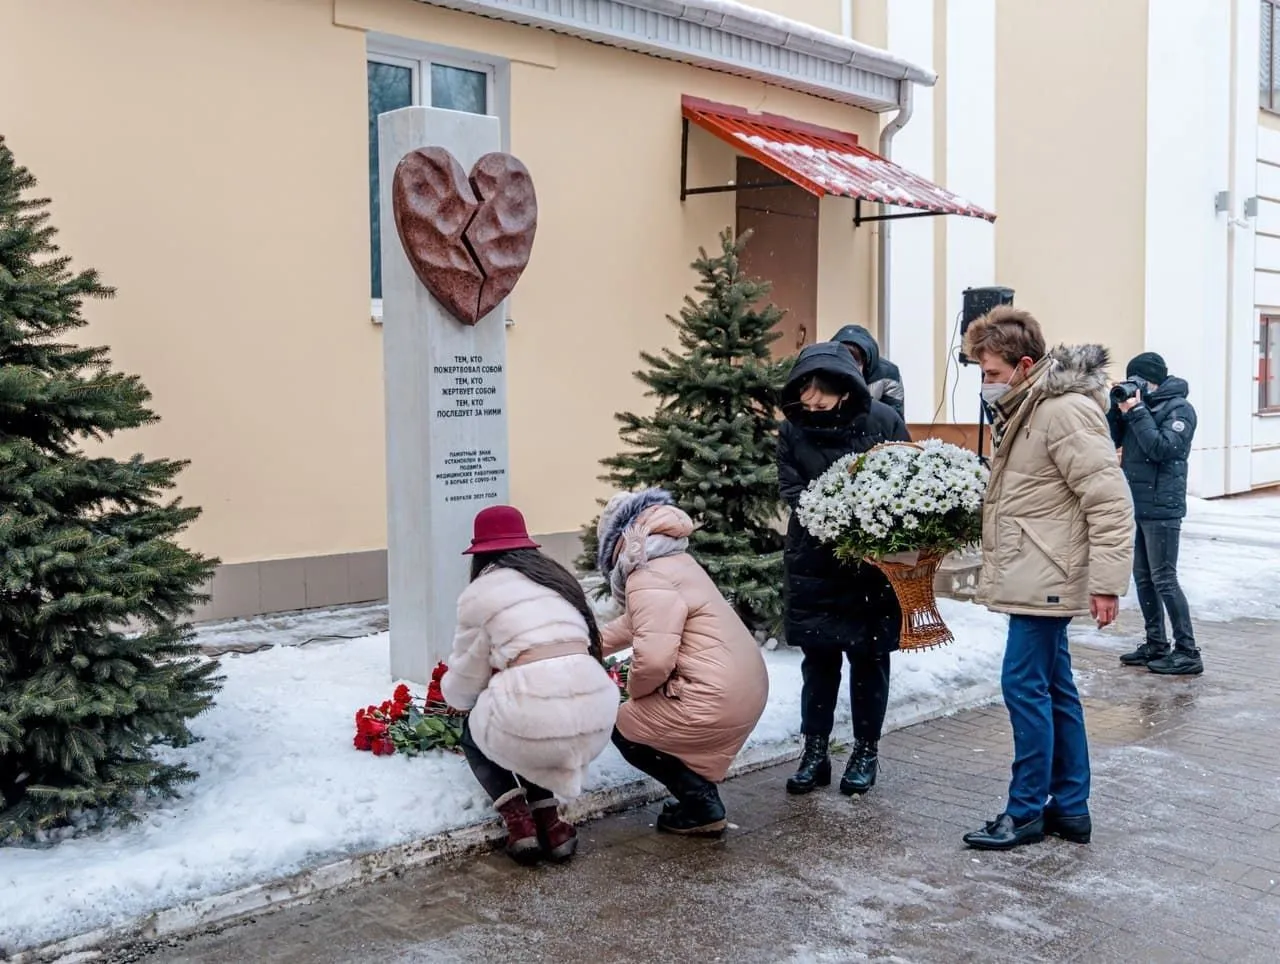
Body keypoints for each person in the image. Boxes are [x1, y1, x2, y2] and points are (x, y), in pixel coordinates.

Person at [960, 306, 1133, 851]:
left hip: (1047, 574)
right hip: (1039, 568)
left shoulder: (1061, 413)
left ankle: (1027, 809)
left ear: (1024, 364)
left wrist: (1107, 582)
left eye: (990, 373)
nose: (986, 384)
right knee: (1055, 689)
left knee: (1024, 686)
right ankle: (1071, 808)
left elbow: (1109, 500)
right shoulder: (1028, 409)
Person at [441, 505, 620, 865]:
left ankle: (520, 825)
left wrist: (459, 700)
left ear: (480, 553)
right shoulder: (557, 580)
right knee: (530, 718)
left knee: (479, 730)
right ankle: (551, 825)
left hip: (541, 717)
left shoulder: (481, 595)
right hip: (595, 714)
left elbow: (465, 680)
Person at [777, 342, 911, 798]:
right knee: (818, 662)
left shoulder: (882, 421)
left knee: (869, 660)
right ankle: (814, 754)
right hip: (813, 560)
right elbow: (790, 482)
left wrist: (863, 520)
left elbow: (904, 478)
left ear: (844, 390)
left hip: (870, 568)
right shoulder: (793, 427)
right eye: (805, 393)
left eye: (820, 395)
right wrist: (824, 513)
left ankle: (865, 752)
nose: (810, 403)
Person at [596, 489, 769, 837]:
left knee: (622, 725)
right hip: (744, 687)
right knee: (654, 720)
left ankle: (701, 805)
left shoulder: (646, 574)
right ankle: (697, 796)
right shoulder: (672, 562)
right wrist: (585, 644)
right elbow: (636, 624)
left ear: (614, 542)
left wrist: (633, 693)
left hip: (716, 696)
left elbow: (656, 659)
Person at [1107, 352, 1202, 676]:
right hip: (1138, 503)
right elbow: (1110, 440)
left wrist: (1136, 411)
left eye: (1138, 379)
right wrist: (1116, 410)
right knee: (1144, 578)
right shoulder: (1139, 407)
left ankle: (1188, 652)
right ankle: (1156, 644)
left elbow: (1162, 448)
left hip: (1163, 506)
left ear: (1151, 380)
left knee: (1164, 578)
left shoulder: (1179, 409)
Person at [832, 324, 906, 419]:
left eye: (853, 364)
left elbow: (894, 419)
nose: (848, 370)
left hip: (873, 429)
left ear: (865, 361)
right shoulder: (826, 370)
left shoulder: (889, 374)